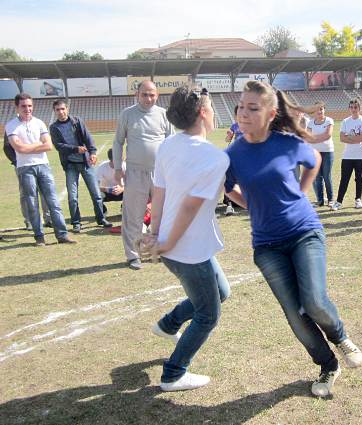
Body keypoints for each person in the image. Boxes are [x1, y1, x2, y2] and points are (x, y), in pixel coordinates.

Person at [225, 81, 362, 398]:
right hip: (266, 246)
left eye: (253, 108)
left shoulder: (287, 143)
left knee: (313, 301)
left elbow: (314, 159)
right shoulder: (232, 154)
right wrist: (249, 204)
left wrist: (301, 193)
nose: (243, 113)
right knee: (296, 315)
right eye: (241, 106)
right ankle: (328, 364)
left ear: (272, 114)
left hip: (304, 232)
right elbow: (226, 187)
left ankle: (340, 336)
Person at [142, 86, 230, 391]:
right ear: (203, 114)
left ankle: (168, 324)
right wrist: (164, 242)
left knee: (221, 292)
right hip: (185, 249)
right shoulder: (215, 158)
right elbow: (190, 207)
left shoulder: (168, 145)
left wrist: (157, 236)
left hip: (177, 245)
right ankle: (174, 373)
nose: (215, 113)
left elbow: (159, 192)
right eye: (212, 107)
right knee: (208, 314)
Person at [113, 80, 175, 270]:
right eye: (144, 94)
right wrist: (117, 168)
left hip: (160, 173)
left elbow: (171, 142)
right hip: (135, 172)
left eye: (152, 94)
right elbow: (118, 142)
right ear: (137, 95)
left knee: (162, 215)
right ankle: (133, 255)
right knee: (133, 215)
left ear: (157, 95)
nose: (148, 98)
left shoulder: (164, 114)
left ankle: (160, 250)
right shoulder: (127, 114)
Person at [5, 93, 75, 245]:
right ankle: (39, 236)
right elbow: (18, 148)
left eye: (29, 105)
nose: (27, 109)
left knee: (53, 201)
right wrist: (38, 144)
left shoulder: (40, 123)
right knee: (32, 203)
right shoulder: (11, 125)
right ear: (16, 107)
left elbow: (48, 145)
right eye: (23, 106)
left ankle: (62, 235)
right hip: (25, 168)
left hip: (43, 165)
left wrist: (27, 147)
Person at [50, 99, 112, 233]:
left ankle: (101, 219)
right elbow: (58, 146)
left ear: (67, 109)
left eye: (62, 109)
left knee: (96, 194)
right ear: (54, 112)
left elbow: (88, 138)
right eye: (57, 110)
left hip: (86, 164)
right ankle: (76, 222)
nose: (61, 112)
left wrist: (93, 153)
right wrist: (75, 149)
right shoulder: (54, 128)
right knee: (72, 197)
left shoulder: (77, 121)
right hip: (70, 165)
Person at [4, 131, 51, 229]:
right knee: (26, 193)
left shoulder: (36, 123)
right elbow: (7, 147)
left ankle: (48, 218)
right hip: (22, 166)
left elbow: (45, 143)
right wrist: (16, 161)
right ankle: (29, 221)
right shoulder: (12, 127)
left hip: (40, 164)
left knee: (45, 191)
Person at [331, 99, 362, 211]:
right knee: (344, 179)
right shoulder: (345, 122)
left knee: (359, 178)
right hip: (347, 155)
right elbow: (342, 138)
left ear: (359, 108)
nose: (353, 109)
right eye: (351, 107)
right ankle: (338, 202)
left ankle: (358, 200)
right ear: (349, 108)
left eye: (356, 107)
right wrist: (355, 139)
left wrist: (350, 138)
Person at [306, 102, 334, 208]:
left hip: (327, 152)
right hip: (314, 153)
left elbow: (328, 135)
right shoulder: (310, 122)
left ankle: (331, 200)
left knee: (327, 176)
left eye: (321, 109)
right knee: (317, 177)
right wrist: (316, 138)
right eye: (317, 109)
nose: (319, 111)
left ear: (324, 110)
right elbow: (308, 137)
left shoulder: (329, 121)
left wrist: (315, 138)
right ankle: (320, 200)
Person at [223, 105, 243, 216]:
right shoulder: (234, 126)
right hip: (236, 154)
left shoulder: (251, 125)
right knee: (230, 177)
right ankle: (229, 205)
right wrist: (229, 135)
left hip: (248, 154)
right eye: (237, 115)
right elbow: (227, 140)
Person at [96, 148, 125, 214]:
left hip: (121, 191)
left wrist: (122, 189)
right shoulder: (101, 167)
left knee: (133, 191)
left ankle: (124, 208)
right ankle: (103, 212)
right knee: (96, 194)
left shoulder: (124, 165)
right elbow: (95, 187)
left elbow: (132, 184)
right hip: (106, 192)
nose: (121, 163)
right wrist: (108, 189)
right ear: (111, 160)